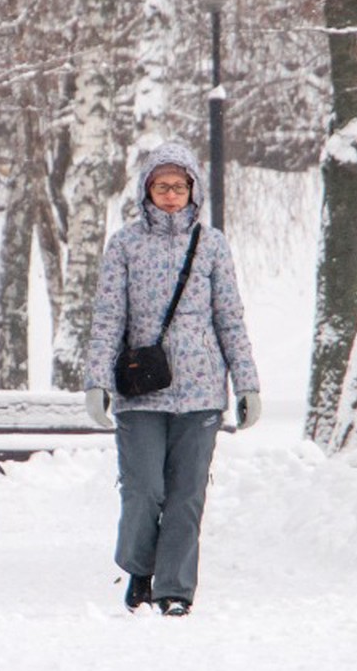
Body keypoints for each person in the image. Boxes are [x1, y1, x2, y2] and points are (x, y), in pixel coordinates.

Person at [82, 141, 261, 616]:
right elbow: (107, 319)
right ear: (146, 189)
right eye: (161, 186)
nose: (170, 194)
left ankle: (175, 589)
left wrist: (246, 383)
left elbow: (230, 319)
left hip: (201, 391)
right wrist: (97, 380)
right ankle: (140, 567)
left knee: (185, 496)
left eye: (179, 186)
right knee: (143, 491)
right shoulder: (124, 244)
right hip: (141, 392)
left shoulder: (212, 245)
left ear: (192, 190)